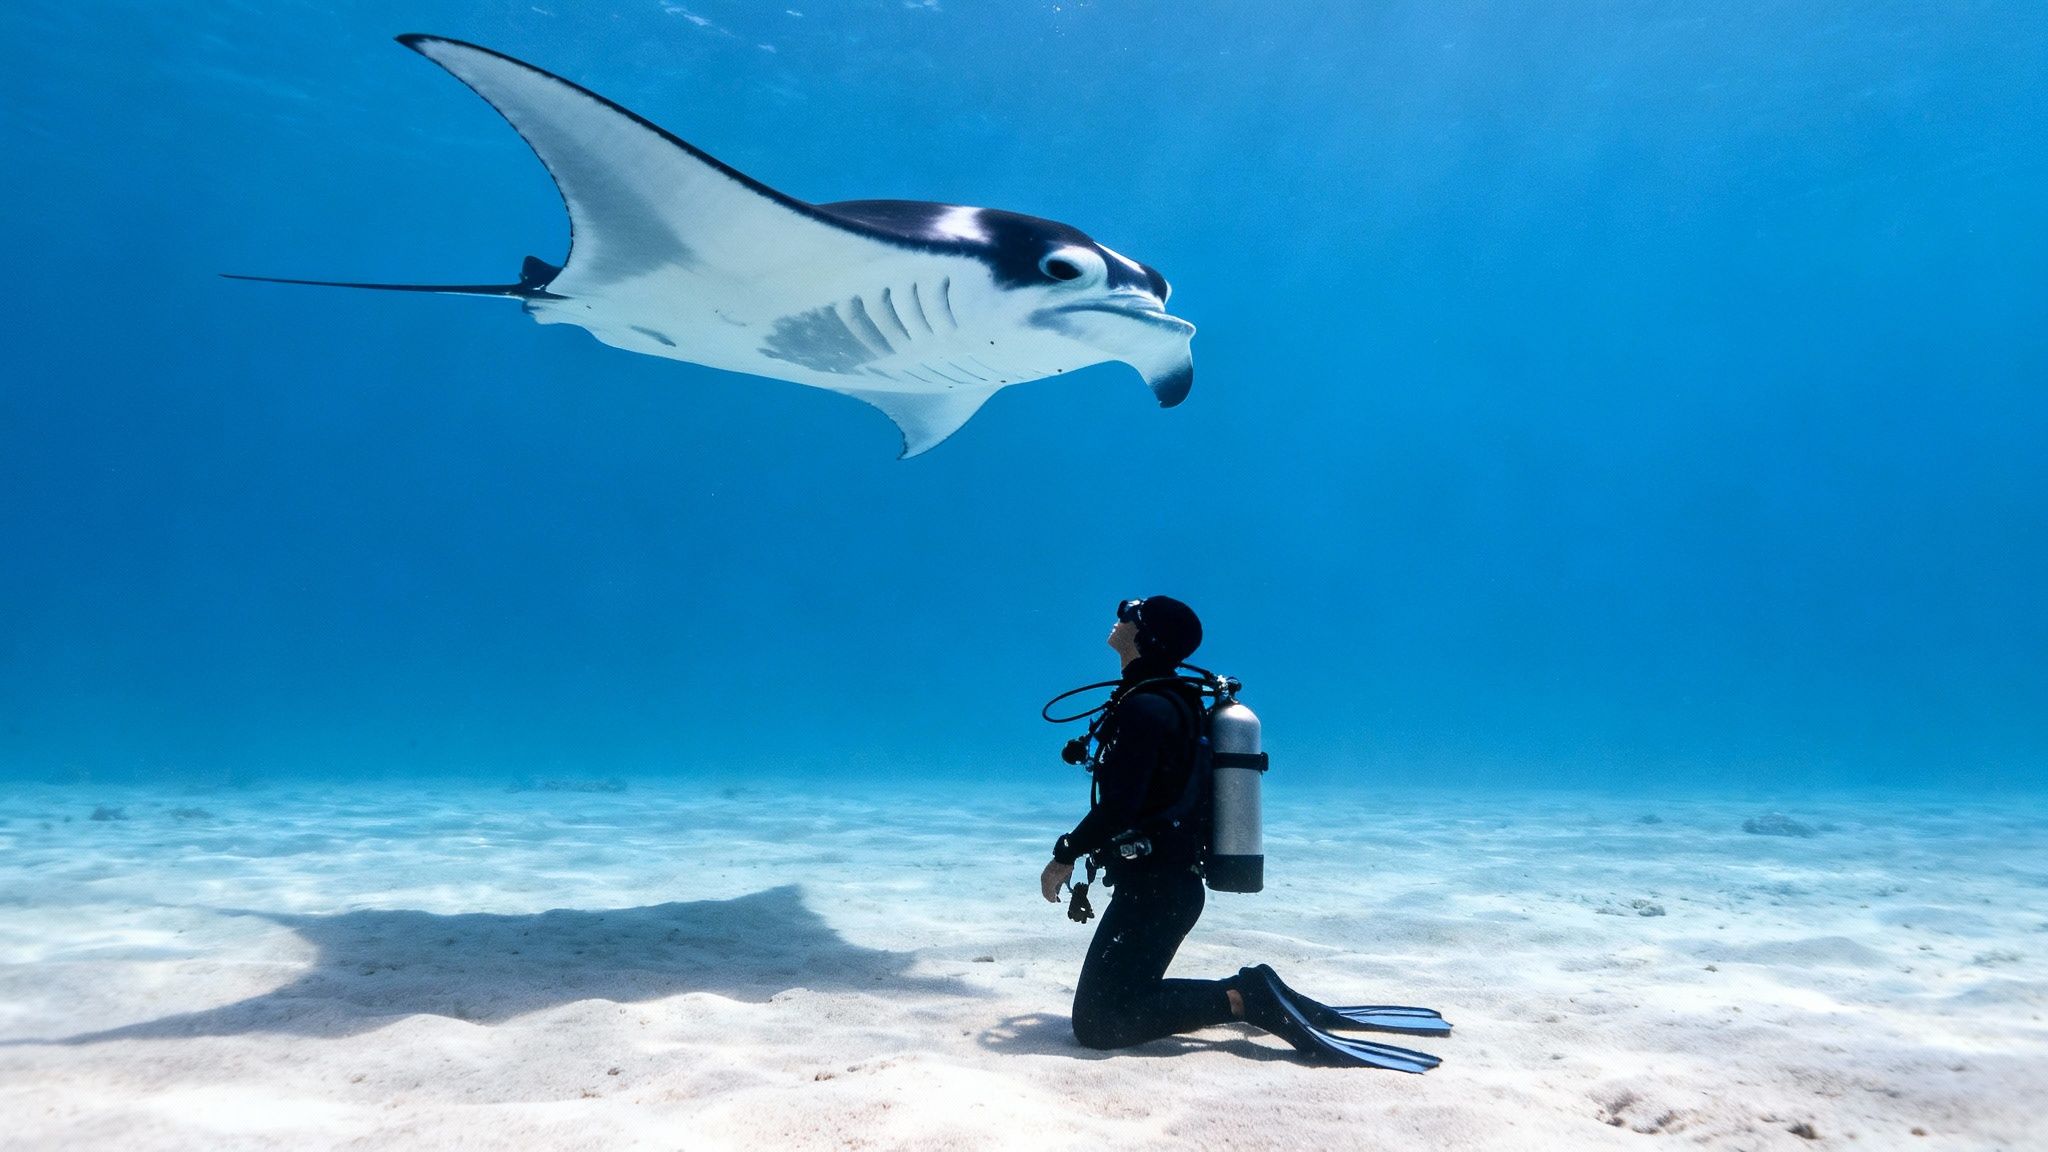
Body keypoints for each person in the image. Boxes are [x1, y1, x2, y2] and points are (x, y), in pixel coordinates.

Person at [1037, 596, 1451, 1071]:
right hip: (1161, 887)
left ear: (1148, 638)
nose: (1121, 618)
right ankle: (1249, 992)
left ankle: (1245, 996)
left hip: (1157, 892)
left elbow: (1121, 807)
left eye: (1133, 616)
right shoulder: (1164, 700)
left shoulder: (1149, 706)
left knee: (1100, 1024)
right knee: (1116, 1005)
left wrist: (1064, 854)